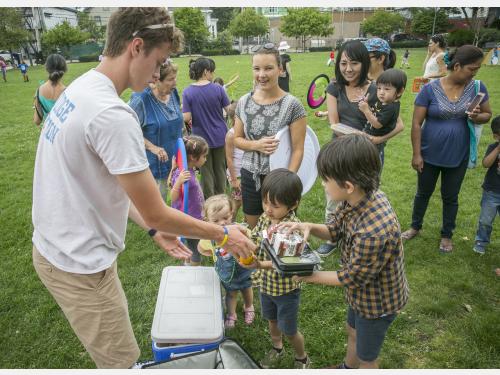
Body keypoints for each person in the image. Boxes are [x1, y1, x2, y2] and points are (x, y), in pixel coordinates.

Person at [31, 8, 256, 369]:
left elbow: (115, 187)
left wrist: (154, 229)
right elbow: (156, 209)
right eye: (160, 60)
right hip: (80, 264)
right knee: (122, 363)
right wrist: (222, 233)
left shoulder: (81, 88)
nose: (158, 73)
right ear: (136, 47)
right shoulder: (112, 114)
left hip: (58, 250)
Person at [279, 134, 409, 369]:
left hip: (376, 303)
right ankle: (348, 368)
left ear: (348, 186)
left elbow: (352, 277)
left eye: (325, 179)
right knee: (352, 330)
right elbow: (335, 230)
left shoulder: (374, 231)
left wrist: (306, 274)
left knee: (368, 357)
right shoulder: (354, 199)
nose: (322, 184)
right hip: (360, 295)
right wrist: (309, 226)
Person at [401, 45, 492, 253]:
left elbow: (488, 115)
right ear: (457, 65)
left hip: (458, 154)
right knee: (423, 193)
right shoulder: (429, 89)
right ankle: (415, 226)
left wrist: (477, 116)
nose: (475, 73)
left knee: (451, 196)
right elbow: (416, 123)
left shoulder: (478, 87)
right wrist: (416, 154)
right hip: (428, 153)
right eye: (472, 68)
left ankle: (446, 235)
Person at [233, 43, 306, 229]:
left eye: (268, 68)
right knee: (253, 227)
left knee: (279, 231)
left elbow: (298, 149)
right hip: (250, 175)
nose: (261, 75)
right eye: (256, 69)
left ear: (280, 70)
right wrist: (256, 145)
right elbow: (237, 139)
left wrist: (287, 181)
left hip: (279, 178)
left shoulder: (293, 105)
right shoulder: (243, 102)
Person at [243, 168, 310, 369]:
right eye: (265, 202)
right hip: (267, 285)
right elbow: (256, 237)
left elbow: (286, 263)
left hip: (285, 289)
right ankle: (277, 347)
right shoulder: (265, 218)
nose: (268, 209)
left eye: (275, 205)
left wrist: (259, 264)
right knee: (272, 321)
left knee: (289, 329)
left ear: (293, 205)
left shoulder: (293, 228)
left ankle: (301, 357)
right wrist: (245, 244)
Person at [198, 194, 255, 328]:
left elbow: (252, 243)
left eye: (225, 218)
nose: (222, 223)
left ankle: (249, 306)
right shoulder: (209, 237)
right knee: (231, 294)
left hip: (244, 269)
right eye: (216, 221)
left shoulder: (240, 230)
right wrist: (213, 252)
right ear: (207, 221)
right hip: (226, 275)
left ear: (232, 213)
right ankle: (231, 314)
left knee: (247, 289)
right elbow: (201, 249)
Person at [129, 61, 182, 200]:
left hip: (176, 158)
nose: (175, 83)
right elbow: (128, 131)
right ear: (156, 80)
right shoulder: (141, 99)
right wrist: (153, 147)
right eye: (170, 79)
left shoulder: (173, 92)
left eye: (175, 78)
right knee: (158, 202)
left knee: (178, 197)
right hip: (153, 165)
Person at [182, 57, 231, 199]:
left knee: (206, 172)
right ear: (205, 71)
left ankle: (210, 203)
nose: (213, 75)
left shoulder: (187, 92)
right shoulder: (218, 89)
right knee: (221, 170)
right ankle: (222, 200)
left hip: (201, 140)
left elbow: (186, 117)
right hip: (221, 136)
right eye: (212, 72)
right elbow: (229, 110)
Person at [170, 135, 208, 266]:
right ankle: (192, 269)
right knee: (195, 250)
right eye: (204, 156)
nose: (205, 159)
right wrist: (178, 182)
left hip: (195, 216)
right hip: (188, 220)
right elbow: (173, 198)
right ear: (192, 157)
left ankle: (187, 264)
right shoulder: (183, 175)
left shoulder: (189, 170)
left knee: (191, 246)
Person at [359, 68, 407, 167]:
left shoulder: (391, 107)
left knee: (370, 165)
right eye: (379, 88)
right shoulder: (385, 102)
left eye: (387, 89)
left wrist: (366, 110)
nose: (381, 92)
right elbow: (375, 113)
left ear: (399, 91)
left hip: (374, 142)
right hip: (368, 135)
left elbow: (377, 124)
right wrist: (367, 104)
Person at [473, 116, 500, 255]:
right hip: (492, 192)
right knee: (485, 220)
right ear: (496, 136)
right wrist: (498, 149)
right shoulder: (493, 147)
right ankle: (481, 241)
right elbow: (485, 164)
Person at [33, 54, 67, 125]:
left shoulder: (39, 91)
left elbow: (37, 121)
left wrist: (36, 105)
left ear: (46, 68)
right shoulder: (68, 92)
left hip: (49, 133)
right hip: (65, 134)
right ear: (64, 69)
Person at [225, 101, 243, 221]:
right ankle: (229, 225)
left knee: (248, 203)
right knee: (236, 203)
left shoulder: (247, 131)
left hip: (248, 172)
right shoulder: (231, 135)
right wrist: (234, 179)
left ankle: (247, 225)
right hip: (237, 175)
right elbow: (229, 159)